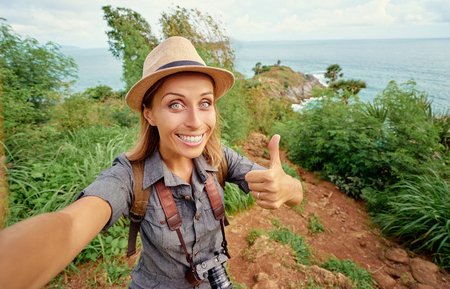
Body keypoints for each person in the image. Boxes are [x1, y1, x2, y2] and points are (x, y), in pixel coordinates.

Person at [0, 36, 303, 289]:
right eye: (175, 104)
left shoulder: (219, 158)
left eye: (205, 102)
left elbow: (292, 193)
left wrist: (286, 187)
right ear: (149, 113)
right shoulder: (130, 177)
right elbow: (71, 225)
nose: (196, 122)